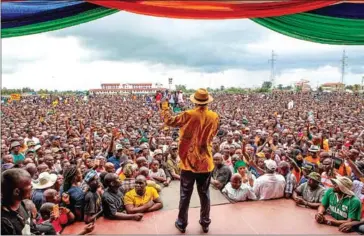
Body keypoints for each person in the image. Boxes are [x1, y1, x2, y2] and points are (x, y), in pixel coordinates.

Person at [160, 88, 219, 233]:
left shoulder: (189, 114)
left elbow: (169, 121)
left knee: (185, 194)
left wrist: (165, 107)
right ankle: (205, 223)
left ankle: (182, 223)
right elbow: (212, 135)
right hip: (206, 162)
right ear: (207, 101)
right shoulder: (214, 116)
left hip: (188, 161)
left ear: (195, 101)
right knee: (204, 194)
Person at [1, 168, 36, 235]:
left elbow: (31, 228)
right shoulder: (4, 222)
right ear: (17, 192)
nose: (32, 187)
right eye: (30, 186)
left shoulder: (23, 204)